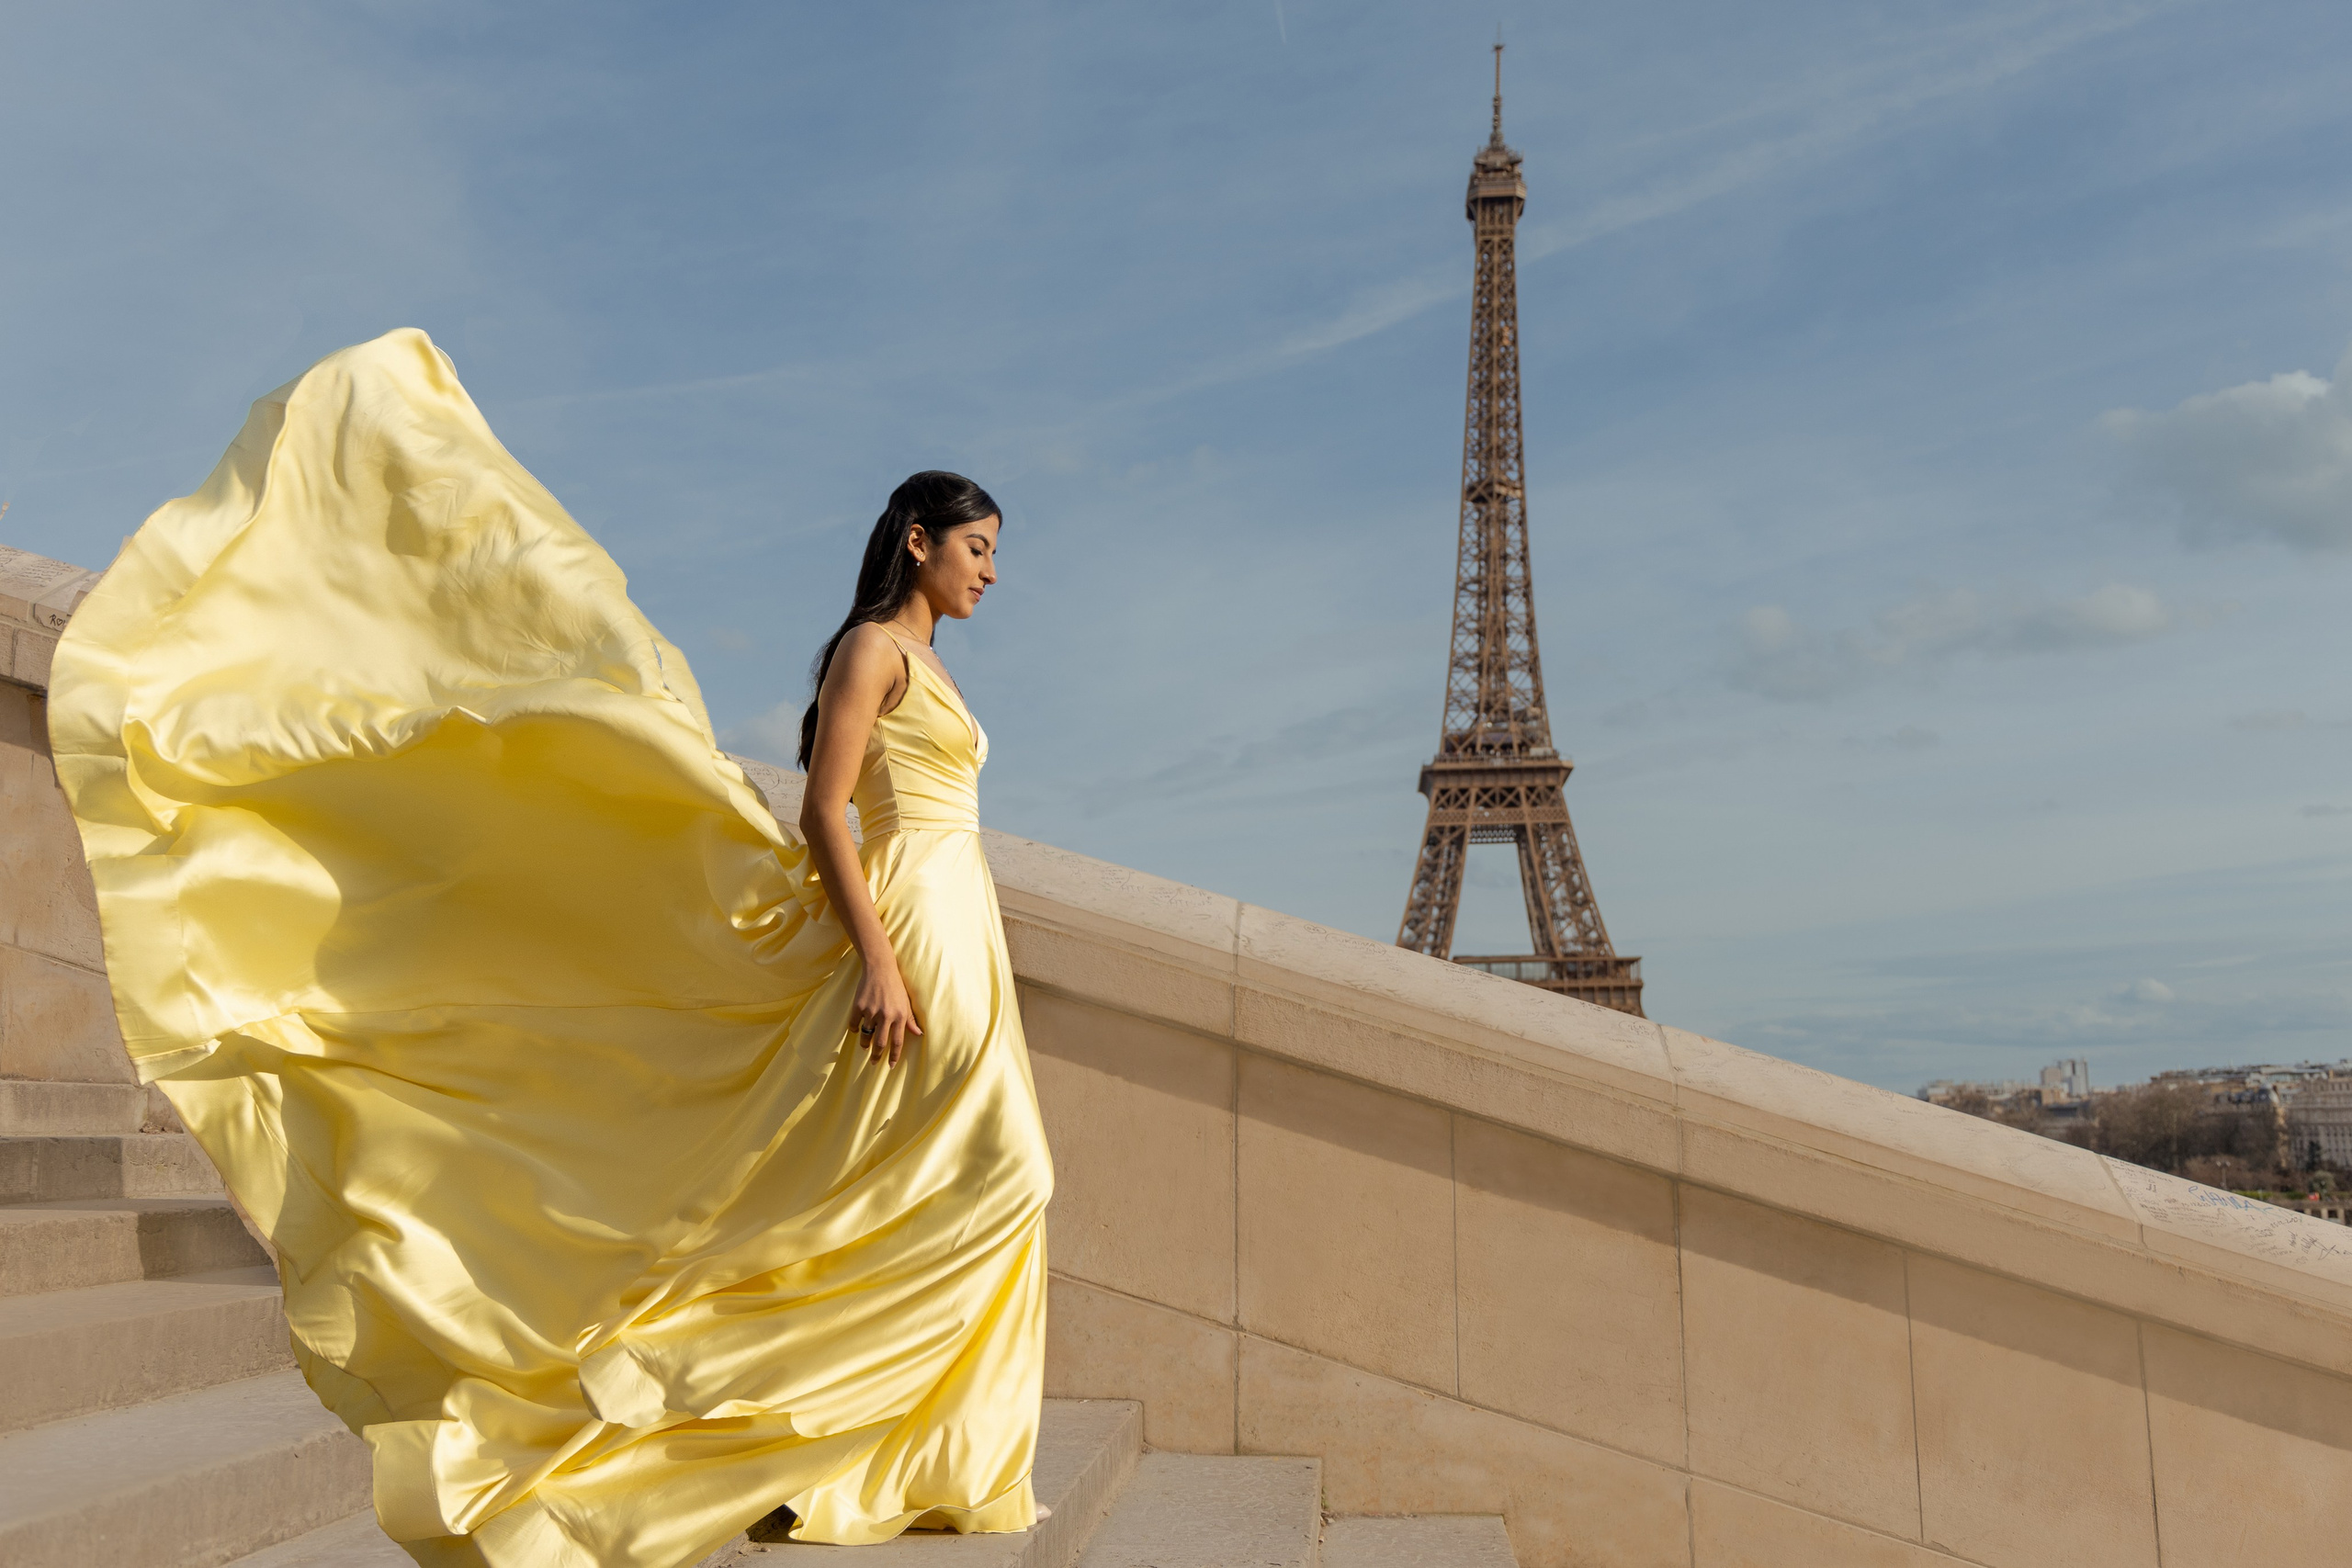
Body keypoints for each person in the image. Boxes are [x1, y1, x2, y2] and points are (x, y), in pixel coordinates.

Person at [47, 329, 1054, 1567]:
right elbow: (823, 809)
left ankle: (883, 1459)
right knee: (997, 1179)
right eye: (978, 549)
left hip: (966, 923)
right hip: (909, 924)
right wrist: (882, 959)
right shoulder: (873, 652)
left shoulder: (935, 663)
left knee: (930, 1197)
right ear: (918, 542)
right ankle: (768, 1428)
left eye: (994, 554)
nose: (991, 573)